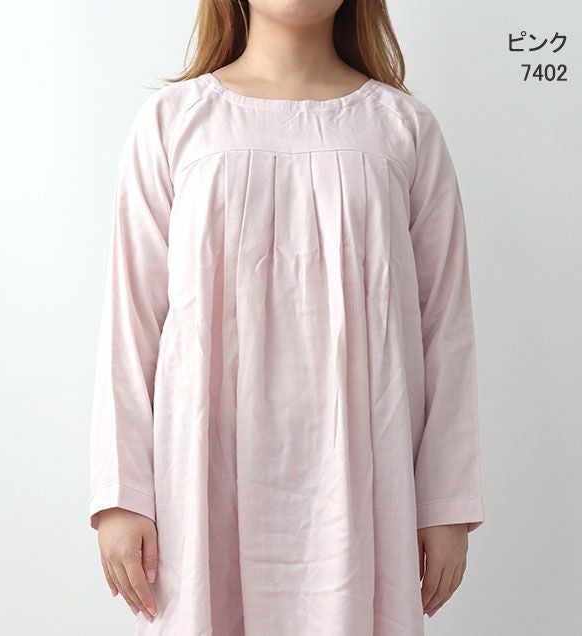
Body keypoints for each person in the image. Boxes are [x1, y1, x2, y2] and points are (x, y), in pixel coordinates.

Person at [88, 0, 485, 634]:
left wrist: (445, 500)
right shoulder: (175, 121)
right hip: (201, 475)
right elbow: (132, 320)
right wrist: (121, 495)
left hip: (366, 476)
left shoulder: (402, 128)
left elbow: (446, 326)